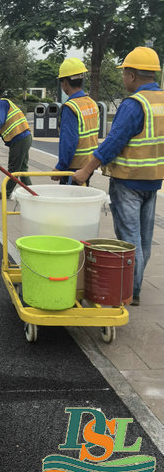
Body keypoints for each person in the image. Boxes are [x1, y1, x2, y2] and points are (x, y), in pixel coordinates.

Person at [73, 47, 164, 306]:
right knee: (144, 238)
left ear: (132, 75)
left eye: (124, 72)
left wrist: (85, 170)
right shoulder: (161, 100)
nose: (124, 77)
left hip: (128, 181)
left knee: (129, 239)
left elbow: (113, 143)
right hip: (153, 180)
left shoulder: (135, 104)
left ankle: (129, 292)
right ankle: (135, 288)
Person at [51, 58, 99, 185]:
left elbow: (69, 142)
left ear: (65, 82)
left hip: (74, 168)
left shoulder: (70, 107)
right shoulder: (92, 103)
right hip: (89, 164)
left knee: (69, 203)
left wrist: (60, 167)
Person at [0, 91, 32, 199]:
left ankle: (6, 193)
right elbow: (0, 129)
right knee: (22, 168)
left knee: (13, 168)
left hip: (19, 138)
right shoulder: (5, 105)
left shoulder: (0, 103)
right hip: (23, 138)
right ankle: (32, 192)